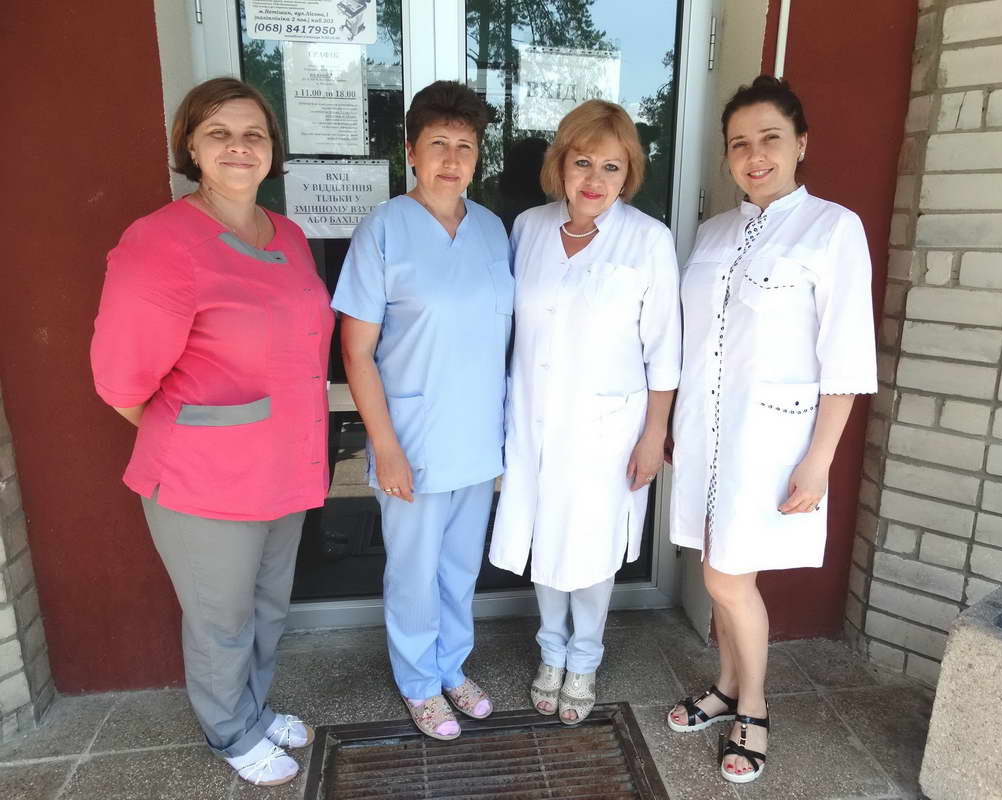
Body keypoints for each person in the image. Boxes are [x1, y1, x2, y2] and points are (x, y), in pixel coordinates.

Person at [90, 78, 333, 787]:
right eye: (219, 133)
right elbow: (120, 382)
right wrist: (194, 435)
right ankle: (229, 730)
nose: (238, 147)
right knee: (220, 618)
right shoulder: (160, 242)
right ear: (190, 148)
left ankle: (252, 708)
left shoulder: (287, 235)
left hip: (285, 465)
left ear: (272, 150)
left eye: (253, 134)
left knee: (266, 607)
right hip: (204, 480)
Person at [666, 76, 877, 784]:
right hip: (706, 432)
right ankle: (727, 685)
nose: (754, 156)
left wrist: (820, 459)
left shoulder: (831, 229)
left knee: (727, 575)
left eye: (770, 139)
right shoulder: (713, 233)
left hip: (772, 440)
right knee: (718, 566)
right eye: (739, 144)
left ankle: (752, 706)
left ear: (800, 144)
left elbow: (845, 356)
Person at [490, 100, 681, 725]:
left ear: (629, 173)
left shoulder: (648, 239)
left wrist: (654, 434)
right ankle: (550, 651)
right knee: (546, 535)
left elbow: (665, 348)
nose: (594, 178)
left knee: (592, 544)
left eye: (610, 166)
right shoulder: (529, 228)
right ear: (560, 166)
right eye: (582, 162)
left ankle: (586, 659)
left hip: (608, 428)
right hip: (533, 418)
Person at [332, 80, 512, 740]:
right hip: (412, 436)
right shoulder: (383, 230)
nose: (451, 159)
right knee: (413, 571)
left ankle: (451, 666)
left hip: (477, 436)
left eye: (465, 145)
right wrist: (383, 446)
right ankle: (417, 682)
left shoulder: (492, 230)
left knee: (460, 567)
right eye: (438, 143)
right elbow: (356, 351)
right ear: (410, 151)